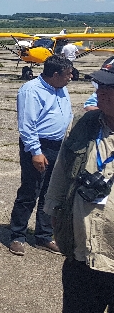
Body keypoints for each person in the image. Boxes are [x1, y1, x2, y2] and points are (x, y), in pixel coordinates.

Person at [45, 56, 114, 313]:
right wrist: (56, 217)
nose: (101, 92)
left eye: (110, 87)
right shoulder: (84, 124)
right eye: (100, 85)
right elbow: (61, 174)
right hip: (83, 254)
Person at [9, 55, 74, 257]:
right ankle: (17, 235)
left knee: (50, 193)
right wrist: (36, 152)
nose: (71, 77)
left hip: (58, 146)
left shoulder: (61, 87)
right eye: (68, 74)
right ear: (55, 74)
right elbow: (27, 125)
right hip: (38, 146)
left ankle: (44, 236)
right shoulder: (30, 90)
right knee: (30, 191)